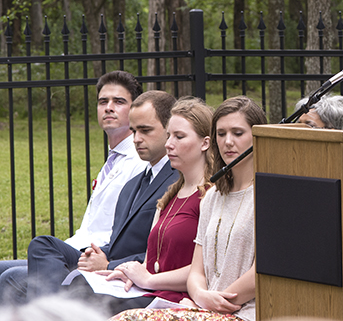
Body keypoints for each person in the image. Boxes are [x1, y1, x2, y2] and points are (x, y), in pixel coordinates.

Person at [112, 96, 267, 321]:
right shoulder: (213, 196)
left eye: (238, 133)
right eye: (221, 134)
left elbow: (263, 271)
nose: (228, 142)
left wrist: (214, 300)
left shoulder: (268, 195)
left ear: (257, 136)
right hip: (202, 307)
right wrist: (201, 296)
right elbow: (197, 270)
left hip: (244, 312)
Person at [0, 70, 146, 305]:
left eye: (119, 102)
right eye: (103, 101)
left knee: (12, 278)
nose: (109, 107)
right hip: (71, 248)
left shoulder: (139, 161)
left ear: (135, 110)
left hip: (92, 257)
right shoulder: (114, 159)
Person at [26, 90, 180, 299]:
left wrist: (109, 264)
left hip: (132, 277)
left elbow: (165, 253)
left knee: (13, 280)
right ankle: (55, 305)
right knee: (42, 245)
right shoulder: (134, 183)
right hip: (106, 260)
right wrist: (97, 254)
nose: (136, 139)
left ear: (170, 130)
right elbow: (119, 241)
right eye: (134, 131)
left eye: (145, 130)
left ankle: (55, 307)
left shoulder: (177, 180)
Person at [90, 96, 213, 315]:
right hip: (150, 291)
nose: (169, 144)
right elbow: (151, 260)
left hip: (179, 299)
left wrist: (149, 279)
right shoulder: (168, 196)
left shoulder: (210, 196)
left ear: (205, 142)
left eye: (179, 136)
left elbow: (207, 269)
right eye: (168, 136)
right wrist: (129, 272)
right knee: (78, 291)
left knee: (93, 307)